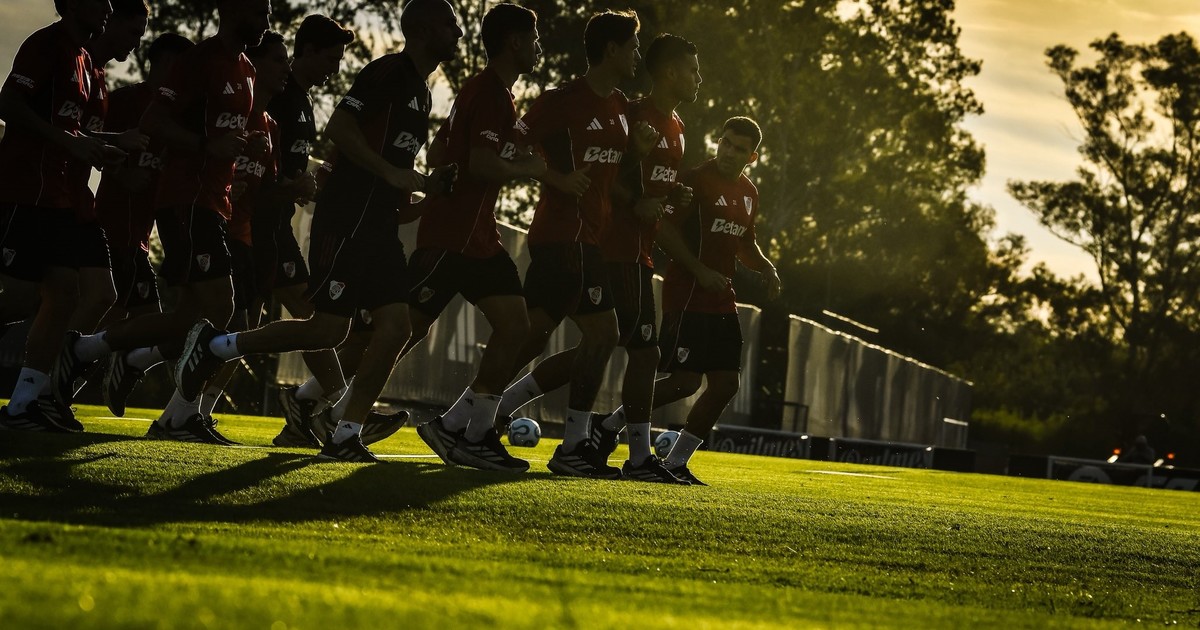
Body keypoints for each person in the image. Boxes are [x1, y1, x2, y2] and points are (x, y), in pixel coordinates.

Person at [173, 0, 462, 462]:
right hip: (346, 219)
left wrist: (428, 188)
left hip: (378, 226)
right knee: (328, 328)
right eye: (450, 24)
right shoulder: (387, 71)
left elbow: (393, 174)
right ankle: (217, 346)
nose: (458, 33)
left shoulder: (422, 92)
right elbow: (340, 127)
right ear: (424, 30)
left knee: (395, 328)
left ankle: (345, 433)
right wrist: (390, 172)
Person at [50, 0, 271, 444]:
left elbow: (224, 134)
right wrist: (207, 147)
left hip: (212, 202)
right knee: (223, 307)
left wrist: (248, 144)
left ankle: (87, 349)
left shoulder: (247, 69)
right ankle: (179, 415)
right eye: (259, 10)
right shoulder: (199, 61)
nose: (266, 20)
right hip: (186, 200)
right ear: (232, 9)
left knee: (186, 318)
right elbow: (155, 121)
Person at [495, 34, 701, 483]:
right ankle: (626, 452)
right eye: (692, 69)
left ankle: (495, 409)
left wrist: (673, 195)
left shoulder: (678, 127)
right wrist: (635, 202)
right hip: (612, 247)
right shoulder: (632, 113)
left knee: (604, 344)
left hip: (637, 252)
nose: (697, 78)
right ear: (669, 72)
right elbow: (613, 177)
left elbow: (646, 183)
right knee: (635, 350)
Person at [406, 2, 546, 473]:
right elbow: (481, 164)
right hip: (455, 235)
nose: (538, 47)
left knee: (516, 327)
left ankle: (467, 430)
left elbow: (441, 149)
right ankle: (322, 401)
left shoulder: (490, 92)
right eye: (534, 39)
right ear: (515, 42)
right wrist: (529, 168)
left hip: (477, 235)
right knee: (399, 331)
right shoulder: (488, 92)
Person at [0, 0, 126, 431]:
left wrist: (106, 143)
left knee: (70, 296)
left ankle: (24, 405)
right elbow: (9, 103)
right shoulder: (46, 44)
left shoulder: (86, 60)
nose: (107, 6)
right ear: (69, 3)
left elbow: (72, 129)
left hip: (60, 200)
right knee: (20, 300)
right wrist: (69, 142)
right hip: (26, 191)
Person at [652, 115, 781, 485]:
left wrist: (766, 266)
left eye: (739, 149)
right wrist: (700, 271)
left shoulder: (750, 193)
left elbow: (744, 242)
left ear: (751, 157)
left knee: (726, 385)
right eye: (725, 143)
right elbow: (664, 229)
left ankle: (676, 462)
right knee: (684, 382)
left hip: (722, 299)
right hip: (687, 294)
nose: (728, 152)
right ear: (718, 141)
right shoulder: (695, 179)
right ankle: (610, 425)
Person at [258, 14, 357, 449]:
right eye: (331, 59)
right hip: (253, 221)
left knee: (290, 313)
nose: (335, 69)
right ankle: (339, 407)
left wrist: (302, 184)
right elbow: (252, 159)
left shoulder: (302, 99)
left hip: (274, 222)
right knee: (234, 320)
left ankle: (318, 410)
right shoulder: (276, 96)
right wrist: (289, 185)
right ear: (308, 51)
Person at [95, 33, 196, 417]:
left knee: (150, 322)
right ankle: (51, 384)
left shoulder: (178, 113)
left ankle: (120, 365)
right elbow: (88, 142)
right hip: (111, 227)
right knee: (106, 316)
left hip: (141, 236)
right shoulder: (125, 101)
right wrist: (121, 173)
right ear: (166, 63)